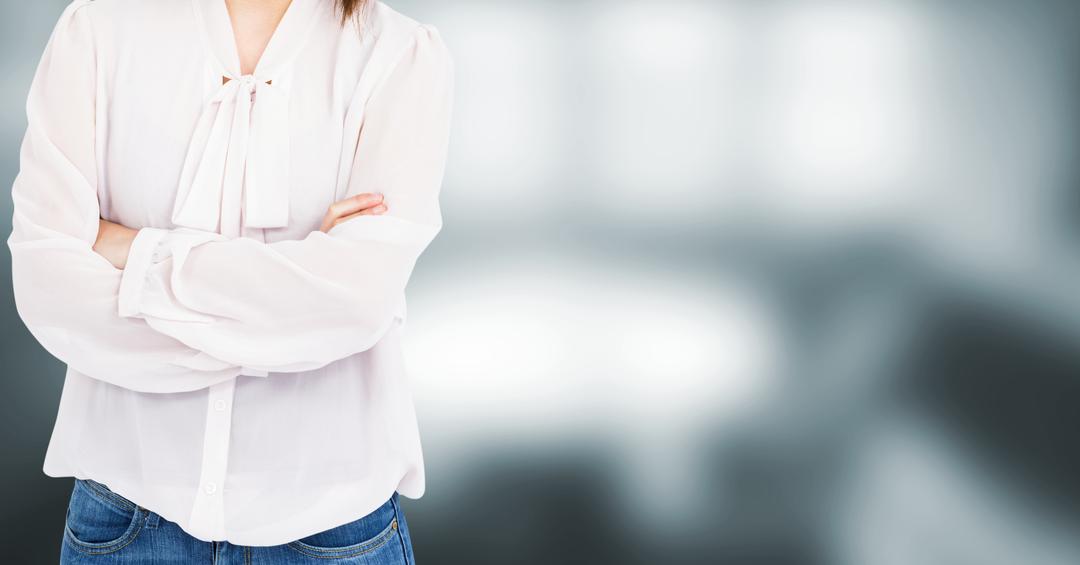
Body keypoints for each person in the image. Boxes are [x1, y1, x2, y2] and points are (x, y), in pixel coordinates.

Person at [7, 0, 454, 562]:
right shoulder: (97, 28)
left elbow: (357, 300)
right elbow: (49, 285)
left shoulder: (398, 54)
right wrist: (292, 303)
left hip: (335, 528)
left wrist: (131, 250)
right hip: (126, 519)